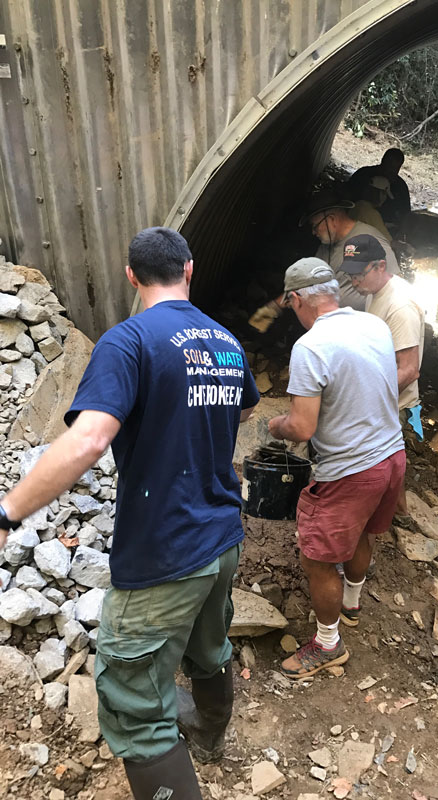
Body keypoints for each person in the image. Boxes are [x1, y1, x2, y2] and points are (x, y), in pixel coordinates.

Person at [0, 227, 260, 799]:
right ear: (189, 270)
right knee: (208, 646)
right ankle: (210, 736)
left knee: (134, 705)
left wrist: (8, 511)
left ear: (130, 276)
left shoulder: (128, 341)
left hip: (165, 552)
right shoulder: (224, 341)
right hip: (221, 537)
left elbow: (90, 439)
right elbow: (238, 413)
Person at [267, 258, 405, 678]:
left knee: (317, 559)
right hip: (392, 456)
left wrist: (275, 424)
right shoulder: (373, 325)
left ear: (296, 299)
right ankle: (351, 604)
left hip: (350, 471)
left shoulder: (311, 347)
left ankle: (328, 645)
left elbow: (303, 428)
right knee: (363, 532)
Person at [339, 233, 425, 440]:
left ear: (381, 266)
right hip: (377, 392)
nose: (354, 281)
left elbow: (409, 370)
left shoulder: (399, 306)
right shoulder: (374, 291)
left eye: (359, 274)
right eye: (351, 274)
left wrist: (368, 401)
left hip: (393, 406)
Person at [298, 189, 399, 311]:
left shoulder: (368, 240)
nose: (313, 232)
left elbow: (395, 288)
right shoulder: (325, 247)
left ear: (331, 220)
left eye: (315, 226)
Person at [346, 148, 411, 227]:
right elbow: (346, 196)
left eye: (393, 169)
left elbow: (405, 215)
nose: (388, 172)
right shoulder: (363, 175)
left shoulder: (400, 187)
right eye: (388, 166)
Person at [349, 175, 393, 242]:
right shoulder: (372, 214)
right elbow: (388, 241)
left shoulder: (357, 204)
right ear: (380, 194)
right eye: (385, 194)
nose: (385, 198)